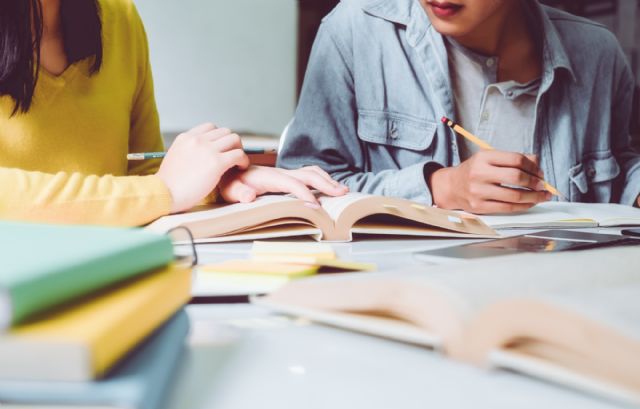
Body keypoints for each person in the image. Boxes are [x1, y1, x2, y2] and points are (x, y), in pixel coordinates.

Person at [0, 0, 347, 227]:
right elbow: (156, 189)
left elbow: (145, 174)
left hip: (105, 278)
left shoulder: (118, 18)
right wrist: (163, 191)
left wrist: (217, 181)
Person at [278, 0, 640, 213]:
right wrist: (441, 188)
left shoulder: (598, 53)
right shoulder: (356, 29)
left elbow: (619, 170)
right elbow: (297, 187)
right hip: (410, 298)